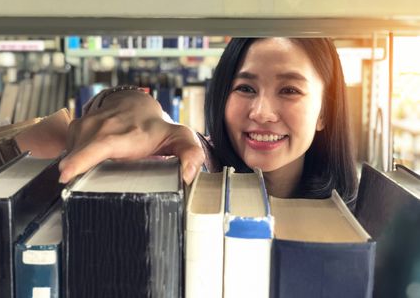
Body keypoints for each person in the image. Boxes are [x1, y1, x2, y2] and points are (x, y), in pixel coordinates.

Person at [59, 37, 357, 207]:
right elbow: (154, 127)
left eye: (289, 90)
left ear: (324, 113)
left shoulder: (351, 213)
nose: (261, 113)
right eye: (245, 88)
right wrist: (127, 101)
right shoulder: (195, 164)